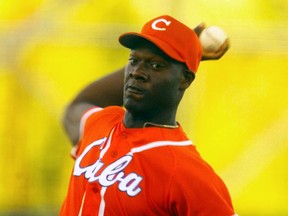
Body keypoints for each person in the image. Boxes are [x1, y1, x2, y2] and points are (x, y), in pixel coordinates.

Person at [60, 15, 236, 216]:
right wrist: (187, 57)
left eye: (156, 65)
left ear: (185, 79)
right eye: (134, 60)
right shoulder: (102, 123)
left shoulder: (188, 173)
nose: (137, 72)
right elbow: (77, 107)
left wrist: (191, 58)